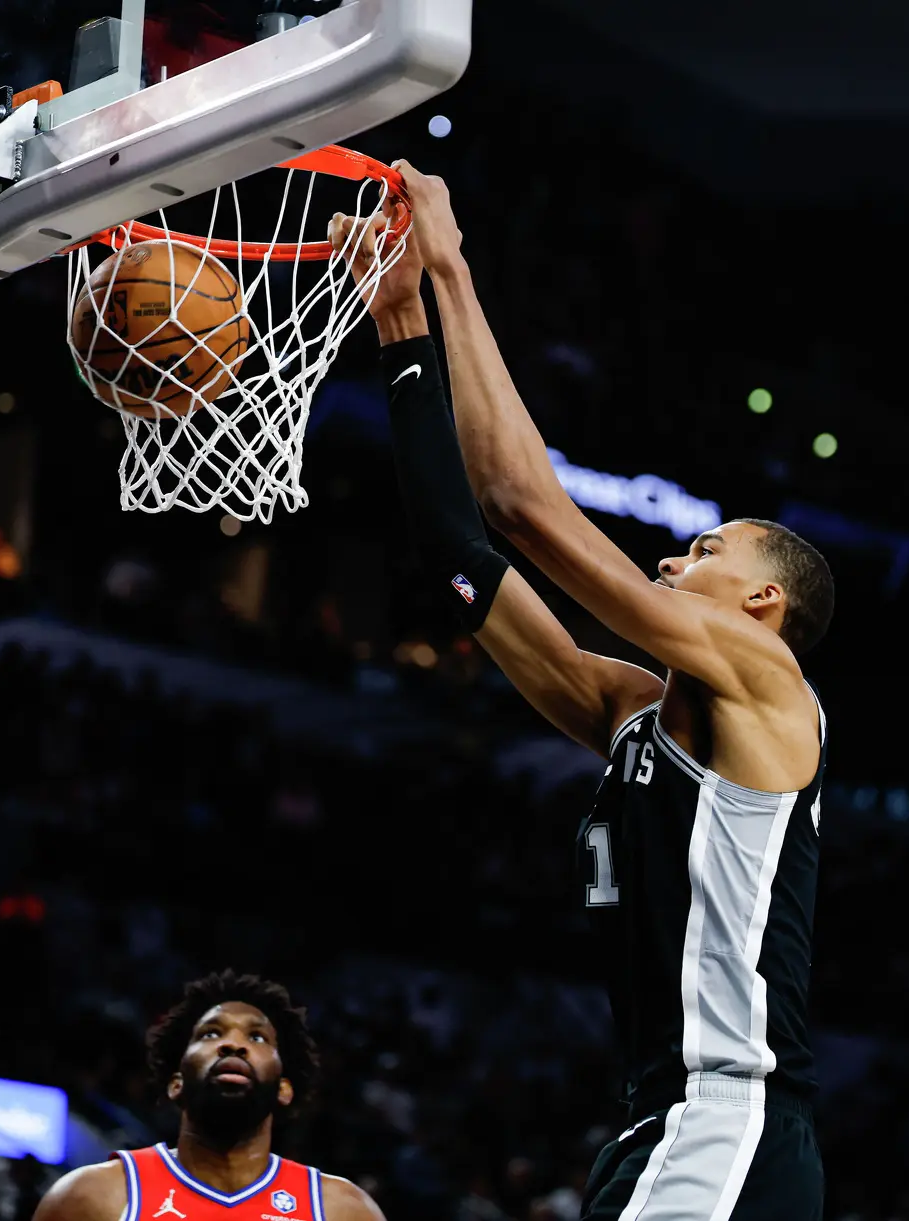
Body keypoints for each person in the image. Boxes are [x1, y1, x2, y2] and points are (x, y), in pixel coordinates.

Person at [330, 165, 834, 1221]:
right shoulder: (626, 712)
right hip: (658, 1119)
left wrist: (453, 271)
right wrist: (401, 324)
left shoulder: (771, 686)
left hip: (725, 1115)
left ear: (761, 605)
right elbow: (460, 553)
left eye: (701, 550)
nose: (666, 564)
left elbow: (521, 503)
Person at [32, 971, 385, 1221]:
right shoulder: (91, 1197)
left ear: (284, 1088)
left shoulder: (342, 1210)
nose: (233, 1044)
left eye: (257, 1038)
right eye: (211, 1034)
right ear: (176, 1083)